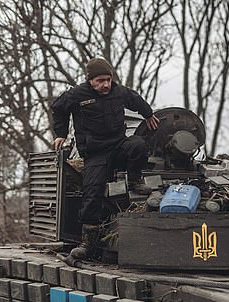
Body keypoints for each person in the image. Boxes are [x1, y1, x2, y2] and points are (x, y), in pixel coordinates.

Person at [51, 57, 160, 261]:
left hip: (118, 145)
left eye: (108, 80)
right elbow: (58, 108)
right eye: (100, 80)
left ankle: (135, 180)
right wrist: (61, 133)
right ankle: (88, 243)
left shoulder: (119, 92)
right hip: (95, 153)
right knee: (92, 193)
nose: (105, 85)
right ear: (90, 80)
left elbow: (135, 100)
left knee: (138, 144)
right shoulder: (77, 94)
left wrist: (148, 114)